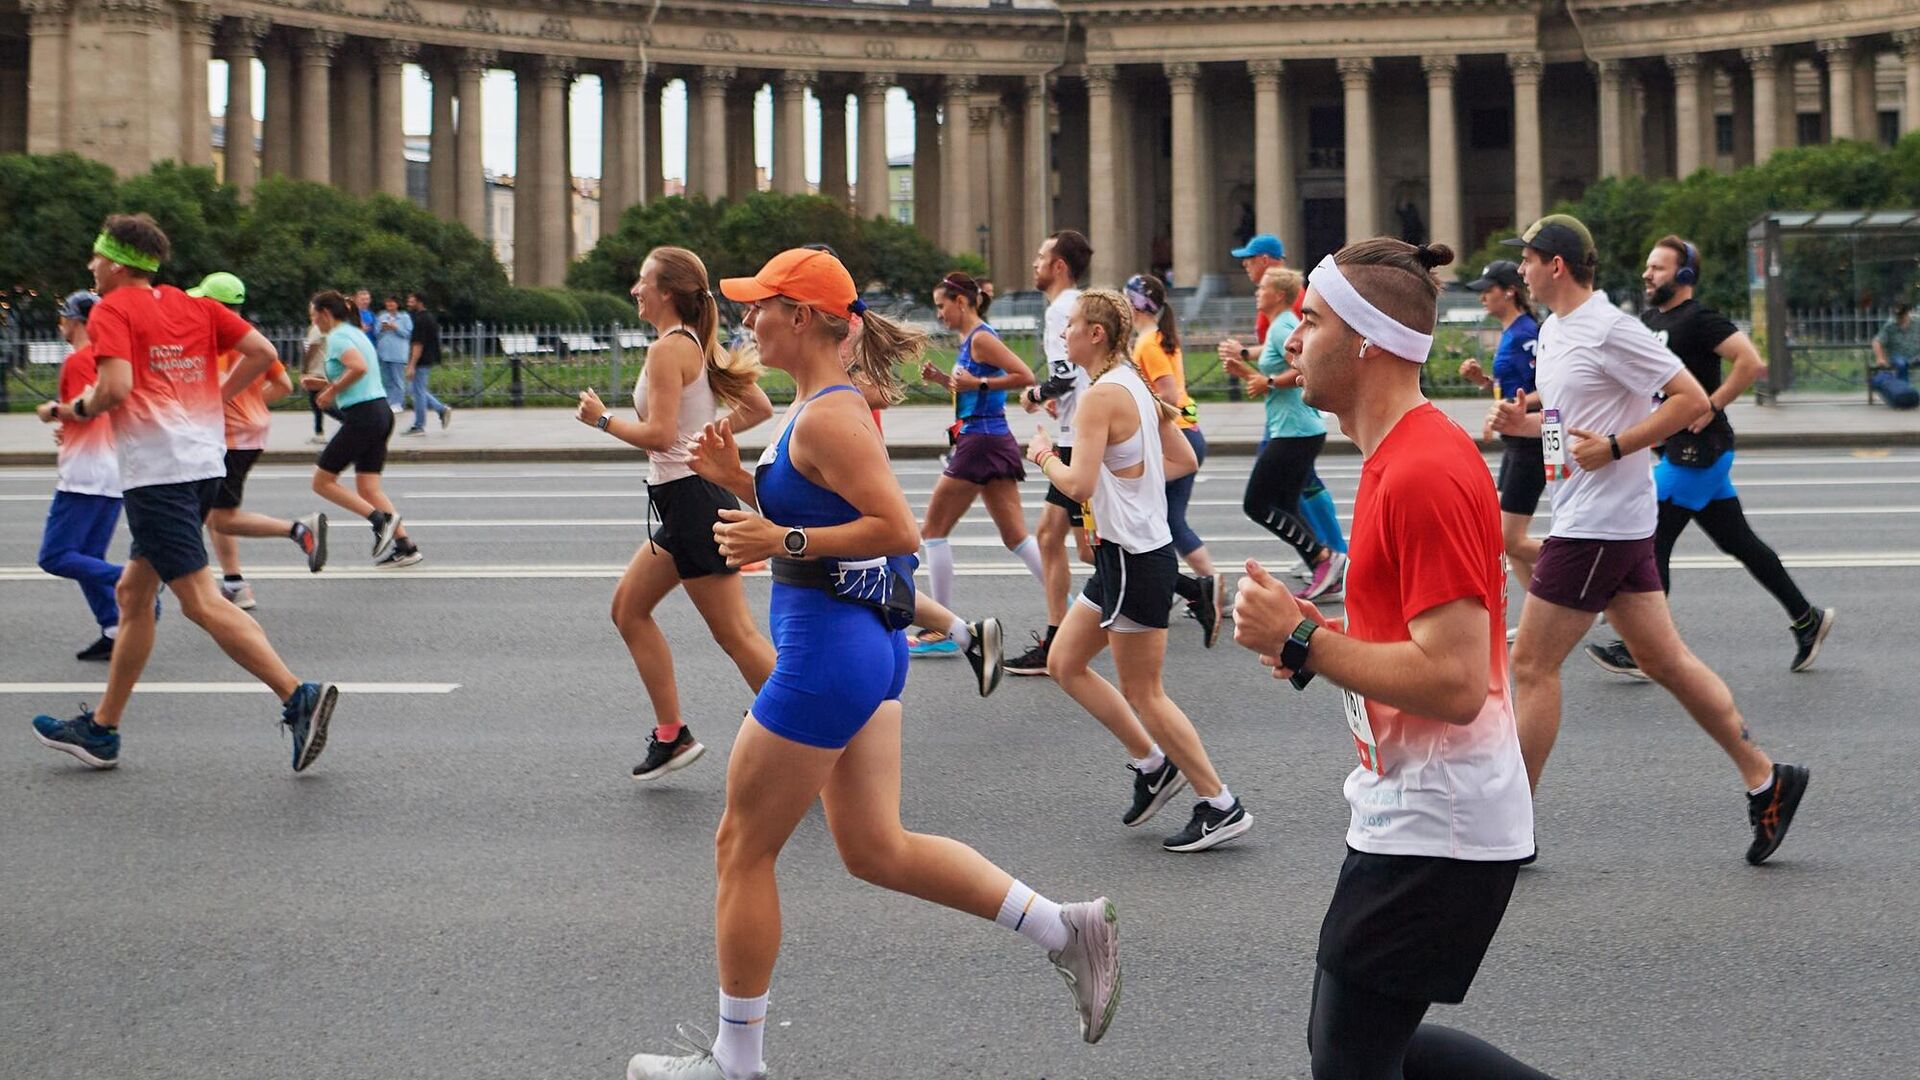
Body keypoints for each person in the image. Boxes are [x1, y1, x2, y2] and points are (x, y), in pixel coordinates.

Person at [624, 247, 1119, 1080]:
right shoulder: (817, 406)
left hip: (827, 655)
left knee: (741, 848)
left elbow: (894, 530)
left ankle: (734, 1065)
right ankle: (1064, 929)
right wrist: (736, 480)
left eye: (764, 304)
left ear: (808, 318)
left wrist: (775, 536)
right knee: (873, 848)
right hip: (861, 649)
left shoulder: (828, 416)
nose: (747, 318)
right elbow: (822, 504)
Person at [1232, 236, 1552, 1080]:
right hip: (1412, 810)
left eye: (1311, 320)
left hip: (1438, 825)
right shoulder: (1391, 459)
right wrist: (1312, 644)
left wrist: (1305, 639)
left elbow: (1453, 683)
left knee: (1350, 1060)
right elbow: (1414, 645)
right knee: (1363, 1050)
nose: (1292, 340)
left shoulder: (1421, 470)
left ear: (1368, 339)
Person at [1490, 214, 1809, 865]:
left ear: (1556, 264)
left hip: (1599, 527)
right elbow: (1561, 423)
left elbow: (1689, 400)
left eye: (1526, 259)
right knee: (1665, 662)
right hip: (1605, 520)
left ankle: (1509, 828)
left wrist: (1615, 447)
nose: (1519, 271)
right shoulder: (1553, 331)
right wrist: (1523, 432)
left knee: (1532, 666)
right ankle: (1767, 778)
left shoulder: (1612, 328)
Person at [29, 213, 337, 773]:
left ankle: (298, 696)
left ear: (117, 262)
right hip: (201, 464)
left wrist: (72, 410)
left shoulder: (113, 309)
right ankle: (103, 729)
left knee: (198, 600)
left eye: (96, 259)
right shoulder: (193, 305)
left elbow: (115, 388)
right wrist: (215, 397)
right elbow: (265, 352)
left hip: (158, 473)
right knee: (132, 594)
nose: (91, 268)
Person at [1027, 290, 1249, 854]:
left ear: (1096, 334)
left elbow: (1075, 484)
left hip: (1132, 557)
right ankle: (1153, 766)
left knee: (1145, 692)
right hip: (1127, 554)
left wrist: (1042, 455)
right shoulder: (1134, 384)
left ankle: (1220, 803)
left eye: (1072, 326)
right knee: (1064, 662)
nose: (1065, 334)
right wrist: (1127, 487)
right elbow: (1184, 460)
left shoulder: (1103, 395)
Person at [1585, 238, 1835, 677]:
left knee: (1649, 540)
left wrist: (1711, 404)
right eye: (1648, 267)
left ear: (1684, 276)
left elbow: (1748, 360)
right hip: (1681, 452)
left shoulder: (1700, 319)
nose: (1647, 274)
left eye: (1658, 268)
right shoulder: (1648, 319)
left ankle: (1641, 648)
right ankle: (1807, 619)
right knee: (1739, 542)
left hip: (1699, 453)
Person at [573, 246, 778, 780]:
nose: (634, 290)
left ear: (666, 292)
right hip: (683, 500)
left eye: (642, 281)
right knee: (628, 609)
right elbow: (757, 409)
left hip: (692, 502)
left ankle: (811, 730)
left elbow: (660, 434)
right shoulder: (693, 342)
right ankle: (673, 735)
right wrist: (705, 439)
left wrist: (602, 421)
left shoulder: (670, 349)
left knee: (737, 635)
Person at [906, 271, 1043, 657]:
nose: (939, 314)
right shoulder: (969, 339)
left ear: (961, 302)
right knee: (1016, 536)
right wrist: (941, 380)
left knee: (932, 529)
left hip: (980, 440)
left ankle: (941, 627)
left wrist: (976, 385)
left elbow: (1024, 375)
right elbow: (969, 386)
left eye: (941, 305)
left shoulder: (981, 337)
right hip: (988, 436)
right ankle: (1066, 608)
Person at [188, 272, 328, 609]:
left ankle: (299, 530)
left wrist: (228, 405)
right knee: (217, 511)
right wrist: (250, 405)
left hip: (228, 437)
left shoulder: (217, 340)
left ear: (212, 305)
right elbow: (283, 385)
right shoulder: (251, 337)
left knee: (217, 516)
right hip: (251, 432)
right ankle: (235, 583)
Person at [1222, 267, 1348, 600]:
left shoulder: (1285, 326)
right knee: (1285, 503)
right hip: (1295, 429)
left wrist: (1269, 381)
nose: (1256, 292)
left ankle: (1326, 557)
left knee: (1257, 503)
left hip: (1296, 432)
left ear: (1278, 294)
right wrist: (1244, 366)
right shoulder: (1279, 327)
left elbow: (1305, 364)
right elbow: (1271, 366)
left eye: (1262, 288)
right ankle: (1325, 567)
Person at [1008, 230, 1093, 676]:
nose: (1035, 263)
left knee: (1088, 547)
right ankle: (1056, 636)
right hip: (1074, 432)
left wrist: (1033, 395)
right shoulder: (1072, 305)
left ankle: (1190, 588)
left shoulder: (1062, 308)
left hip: (1077, 438)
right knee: (1056, 538)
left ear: (1059, 265)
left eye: (1042, 256)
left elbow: (1063, 377)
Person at [1126, 273, 1222, 646]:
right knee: (1168, 518)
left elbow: (1168, 394)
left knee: (1152, 517)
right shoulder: (1156, 339)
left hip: (1175, 439)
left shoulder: (1149, 343)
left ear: (1137, 304)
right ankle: (1206, 586)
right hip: (1187, 434)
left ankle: (1193, 588)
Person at [34, 290, 125, 661]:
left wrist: (53, 411)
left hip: (85, 472)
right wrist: (68, 423)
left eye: (63, 317)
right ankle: (114, 628)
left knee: (55, 556)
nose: (61, 324)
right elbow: (100, 408)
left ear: (76, 321)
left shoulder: (77, 360)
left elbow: (80, 410)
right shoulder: (111, 359)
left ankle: (133, 581)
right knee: (88, 556)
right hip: (114, 471)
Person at [304, 290, 423, 568]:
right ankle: (405, 546)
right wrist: (322, 386)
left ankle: (379, 521)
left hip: (363, 416)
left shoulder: (337, 336)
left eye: (313, 317)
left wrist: (331, 390)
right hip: (379, 412)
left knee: (322, 482)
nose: (314, 323)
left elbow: (356, 368)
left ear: (324, 314)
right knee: (369, 487)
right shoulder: (355, 332)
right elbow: (360, 373)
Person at [1456, 260, 1544, 613]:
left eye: (1487, 290)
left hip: (1532, 441)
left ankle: (1583, 572)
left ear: (1509, 291)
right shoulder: (1512, 331)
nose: (1482, 298)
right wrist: (1483, 382)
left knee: (1508, 538)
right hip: (1516, 441)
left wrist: (1509, 405)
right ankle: (1544, 612)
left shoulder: (1527, 334)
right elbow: (1513, 389)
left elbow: (1549, 389)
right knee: (1506, 539)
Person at [403, 291, 452, 434]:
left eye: (412, 301)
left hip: (421, 361)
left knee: (417, 393)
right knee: (414, 390)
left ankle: (419, 425)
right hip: (428, 358)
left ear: (420, 302)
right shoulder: (429, 317)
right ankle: (441, 409)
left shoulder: (420, 320)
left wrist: (411, 365)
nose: (408, 304)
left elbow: (418, 344)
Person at [372, 296, 412, 412]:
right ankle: (389, 402)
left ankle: (398, 402)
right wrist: (383, 328)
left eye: (392, 302)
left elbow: (408, 334)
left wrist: (396, 328)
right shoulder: (382, 316)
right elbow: (376, 333)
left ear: (397, 304)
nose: (390, 304)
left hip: (397, 353)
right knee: (387, 380)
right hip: (384, 353)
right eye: (388, 302)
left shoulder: (404, 317)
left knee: (398, 379)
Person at [1871, 302, 1917, 379]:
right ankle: (1904, 388)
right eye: (1898, 316)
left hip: (1916, 355)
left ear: (1908, 313)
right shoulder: (1890, 325)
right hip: (1897, 356)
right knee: (1901, 364)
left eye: (1902, 315)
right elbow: (1876, 342)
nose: (1900, 318)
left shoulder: (1917, 322)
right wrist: (1880, 358)